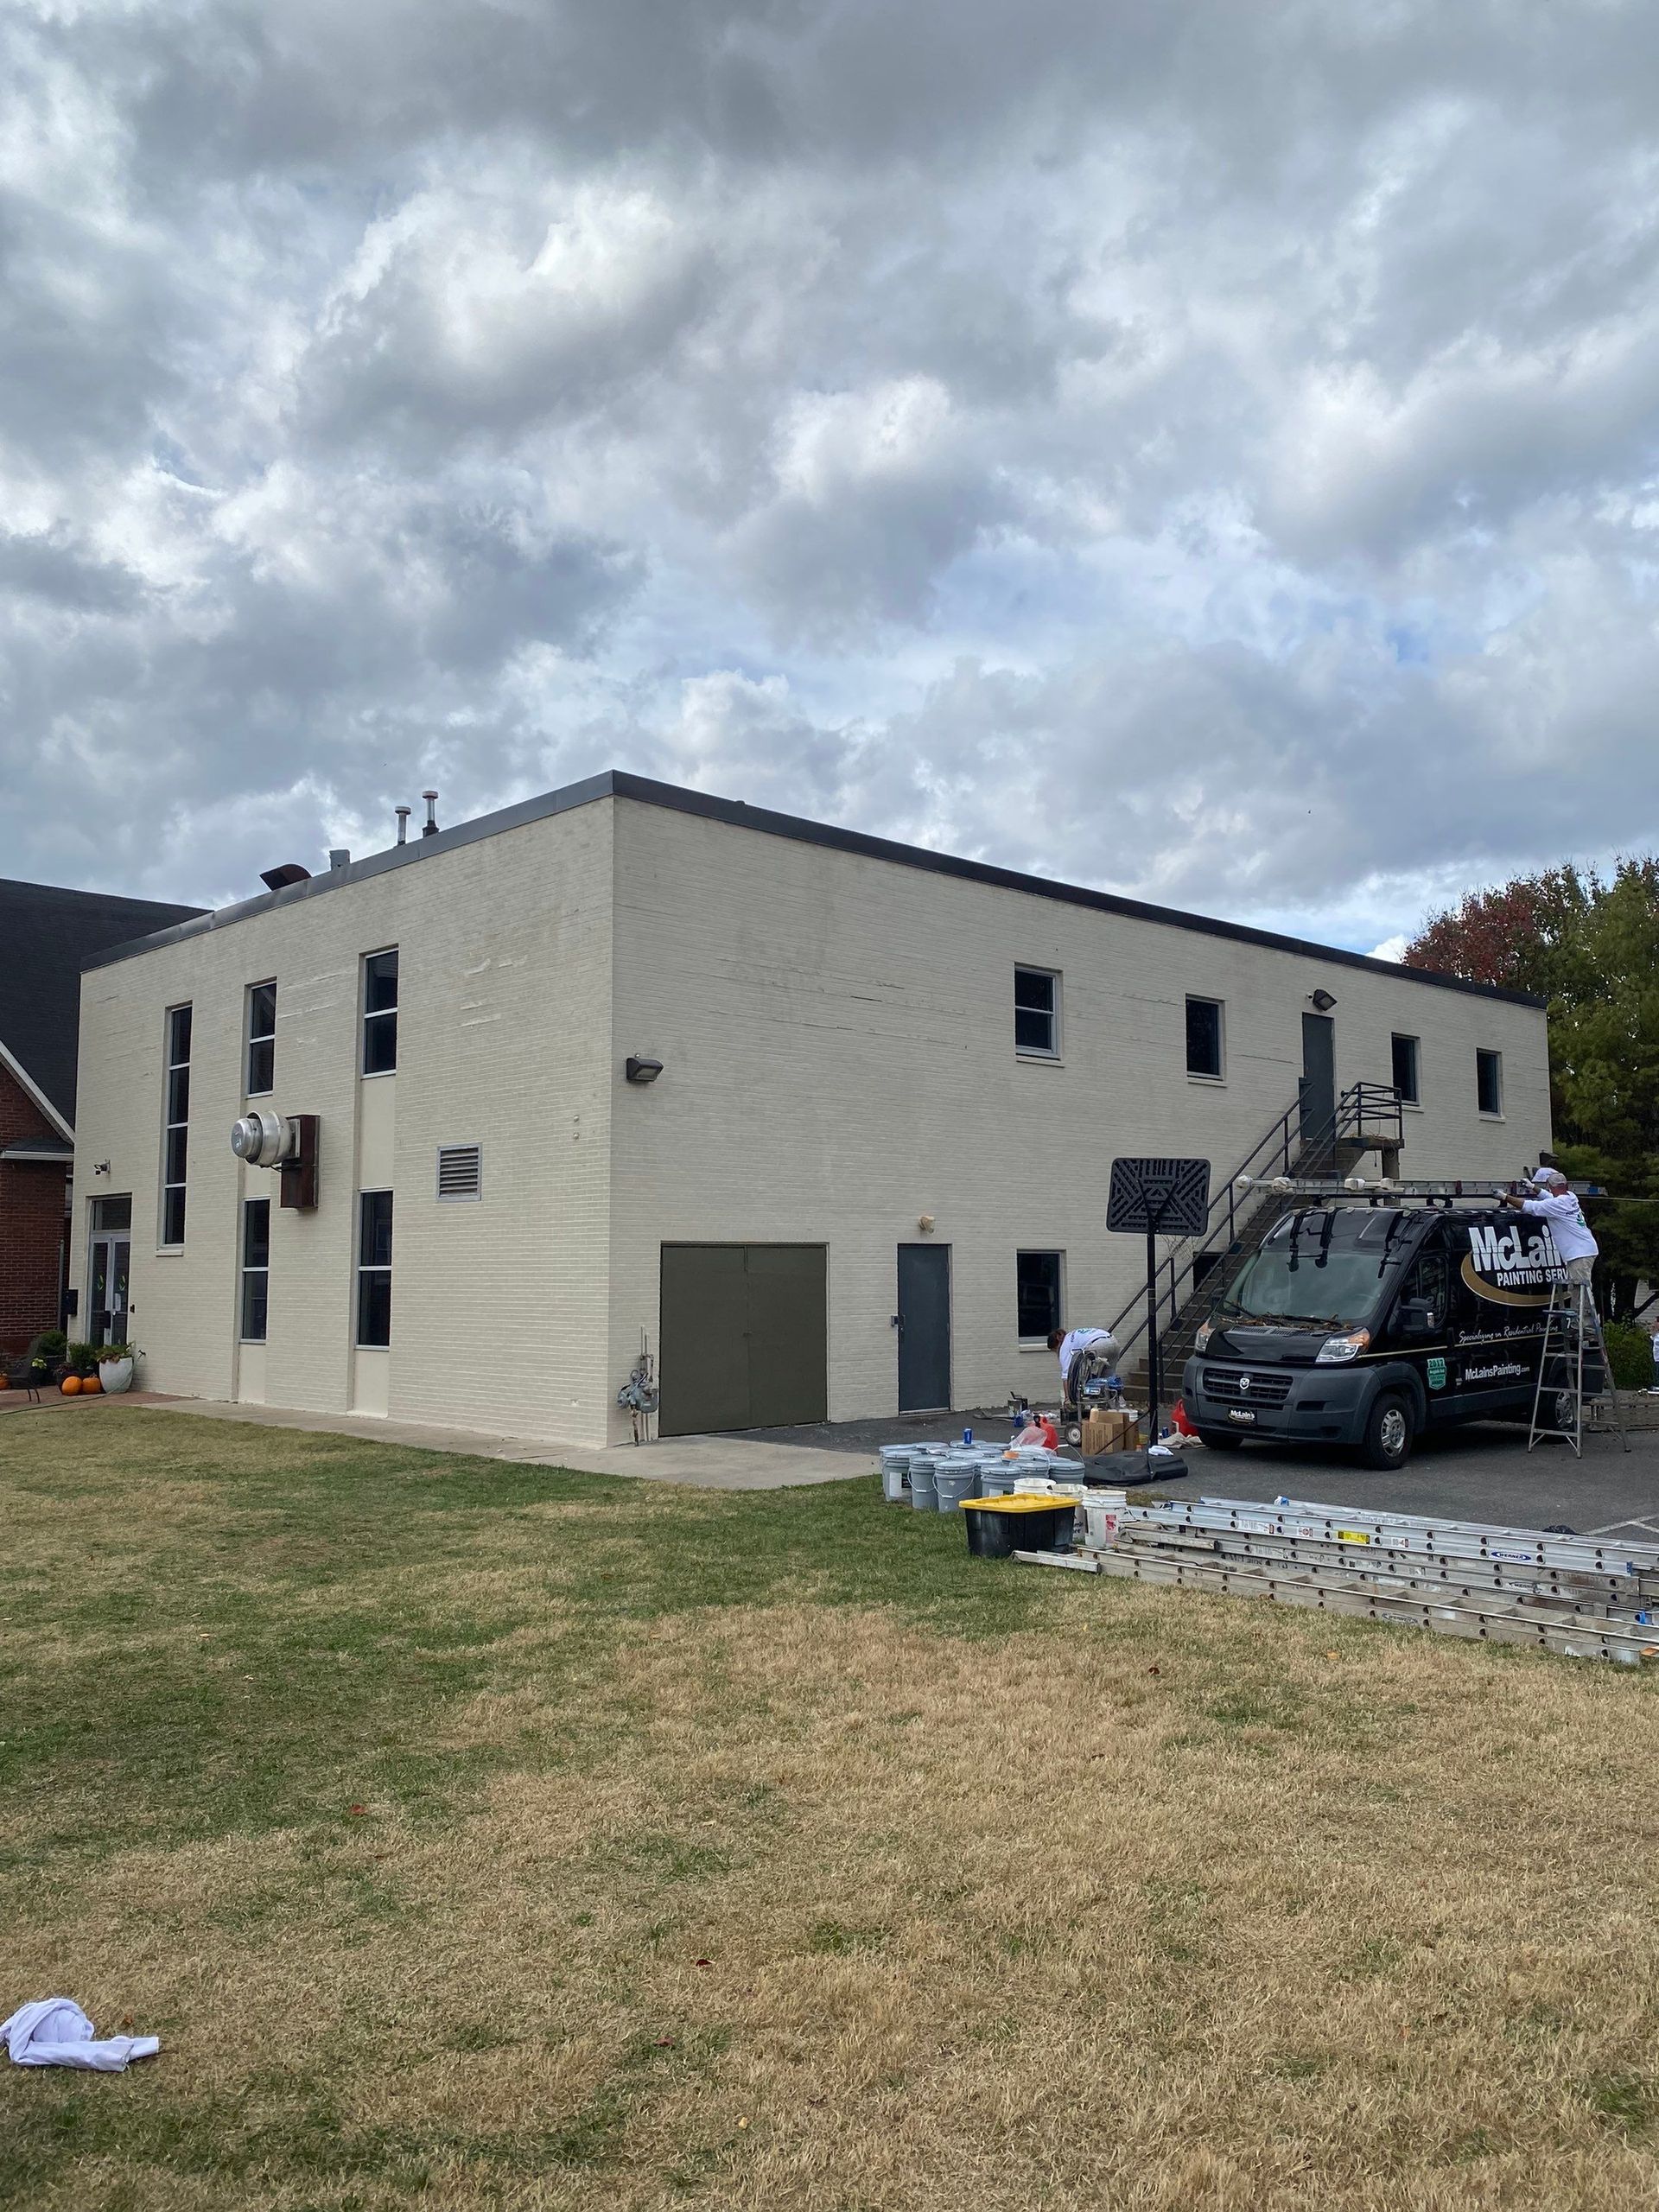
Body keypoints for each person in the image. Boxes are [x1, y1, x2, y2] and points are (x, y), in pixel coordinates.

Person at [1499, 1167, 1599, 1290]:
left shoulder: (1557, 1204)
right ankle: (1584, 1309)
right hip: (1586, 1248)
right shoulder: (1570, 1196)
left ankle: (1584, 1310)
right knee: (1580, 1287)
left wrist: (1505, 1197)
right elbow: (1550, 1197)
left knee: (1580, 1290)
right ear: (1565, 1185)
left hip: (1579, 1253)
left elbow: (1529, 1206)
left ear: (1550, 1186)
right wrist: (1533, 1187)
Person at [1047, 1323, 1118, 1409]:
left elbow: (1066, 1376)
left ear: (1057, 1344)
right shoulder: (1072, 1336)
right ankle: (1112, 1410)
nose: (1056, 1353)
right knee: (1108, 1380)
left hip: (1098, 1345)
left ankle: (1089, 1409)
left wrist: (1067, 1399)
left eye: (1055, 1351)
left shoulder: (1064, 1346)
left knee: (1089, 1381)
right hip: (1113, 1341)